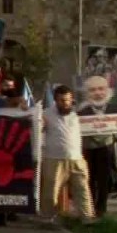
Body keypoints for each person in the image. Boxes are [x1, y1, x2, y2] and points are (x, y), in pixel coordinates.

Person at [40, 85, 95, 222]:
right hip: (54, 159)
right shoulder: (46, 114)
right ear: (55, 100)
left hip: (76, 159)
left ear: (72, 100)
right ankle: (47, 218)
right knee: (50, 191)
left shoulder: (78, 114)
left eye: (67, 100)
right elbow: (36, 127)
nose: (65, 103)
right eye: (61, 100)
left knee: (82, 189)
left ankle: (87, 218)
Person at [77, 76, 115, 219]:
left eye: (101, 89)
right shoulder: (82, 112)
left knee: (104, 180)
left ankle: (102, 208)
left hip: (106, 148)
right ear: (87, 93)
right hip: (88, 149)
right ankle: (90, 207)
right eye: (93, 90)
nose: (98, 93)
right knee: (89, 179)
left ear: (107, 91)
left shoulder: (114, 109)